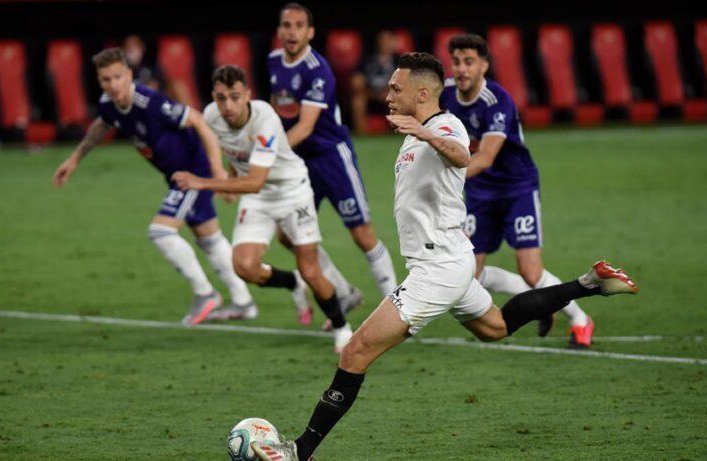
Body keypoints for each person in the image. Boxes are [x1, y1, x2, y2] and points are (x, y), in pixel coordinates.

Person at [250, 52, 639, 461]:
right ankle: (589, 283)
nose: (387, 95)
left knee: (355, 352)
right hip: (449, 261)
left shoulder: (444, 125)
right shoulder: (415, 133)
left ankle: (299, 450)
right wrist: (418, 134)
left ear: (422, 94)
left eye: (396, 89)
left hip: (436, 269)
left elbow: (461, 154)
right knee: (496, 326)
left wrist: (426, 133)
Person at [52, 47, 256, 326]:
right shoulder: (108, 103)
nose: (113, 85)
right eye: (106, 79)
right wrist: (75, 158)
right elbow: (103, 124)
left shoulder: (149, 102)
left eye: (118, 77)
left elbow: (198, 121)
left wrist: (218, 171)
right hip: (174, 175)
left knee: (161, 232)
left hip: (192, 173)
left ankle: (205, 293)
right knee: (209, 239)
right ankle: (243, 302)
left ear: (129, 75)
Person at [171, 65, 352, 352]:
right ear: (213, 98)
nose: (228, 106)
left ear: (247, 95)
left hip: (292, 192)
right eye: (221, 98)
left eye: (234, 97)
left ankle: (342, 327)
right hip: (258, 198)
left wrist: (204, 182)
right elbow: (234, 150)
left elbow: (255, 181)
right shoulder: (212, 116)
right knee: (244, 267)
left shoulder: (265, 118)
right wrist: (229, 174)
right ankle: (292, 282)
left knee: (310, 270)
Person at [441, 33, 595, 348]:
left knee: (530, 270)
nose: (461, 69)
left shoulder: (497, 101)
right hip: (480, 191)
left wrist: (444, 181)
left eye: (469, 62)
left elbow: (486, 157)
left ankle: (580, 320)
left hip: (516, 187)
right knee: (468, 275)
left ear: (484, 65)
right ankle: (539, 301)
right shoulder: (445, 94)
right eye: (456, 62)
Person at [268, 3, 398, 303]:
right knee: (289, 234)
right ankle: (344, 293)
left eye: (299, 26)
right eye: (287, 25)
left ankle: (397, 307)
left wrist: (267, 153)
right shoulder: (274, 61)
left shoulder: (318, 70)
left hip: (332, 158)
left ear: (310, 32)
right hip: (300, 162)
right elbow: (278, 106)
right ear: (279, 31)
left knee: (362, 234)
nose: (292, 32)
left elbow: (305, 126)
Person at [350, 29, 400, 134]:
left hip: (390, 94)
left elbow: (404, 83)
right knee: (358, 101)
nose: (384, 44)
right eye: (382, 41)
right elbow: (356, 81)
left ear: (394, 42)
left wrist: (388, 92)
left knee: (399, 99)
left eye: (387, 41)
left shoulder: (399, 60)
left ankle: (398, 132)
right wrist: (371, 93)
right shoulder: (367, 59)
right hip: (369, 94)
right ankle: (363, 135)